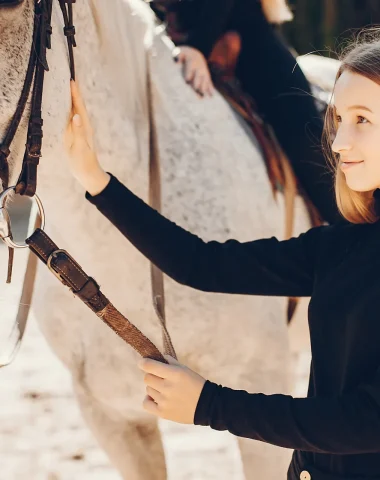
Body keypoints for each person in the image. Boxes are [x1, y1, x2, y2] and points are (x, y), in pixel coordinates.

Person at [65, 30, 380, 479]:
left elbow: (366, 421)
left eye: (362, 120)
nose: (337, 143)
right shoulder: (341, 244)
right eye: (338, 120)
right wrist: (96, 180)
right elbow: (200, 263)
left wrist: (208, 404)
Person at [163, 0, 341, 224]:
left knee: (306, 143)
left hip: (252, 52)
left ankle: (356, 239)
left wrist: (198, 46)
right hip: (174, 45)